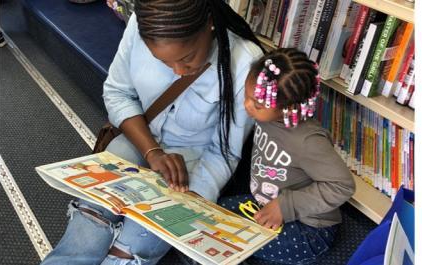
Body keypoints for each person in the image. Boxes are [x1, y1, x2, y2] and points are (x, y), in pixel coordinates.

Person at [41, 0, 265, 264]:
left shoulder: (246, 61)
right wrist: (152, 152)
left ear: (209, 24)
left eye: (187, 58)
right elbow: (117, 93)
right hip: (137, 141)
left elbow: (225, 151)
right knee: (92, 214)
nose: (178, 71)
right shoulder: (141, 24)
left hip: (195, 165)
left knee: (133, 247)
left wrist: (192, 202)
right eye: (163, 62)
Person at [216, 48, 355, 264]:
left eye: (257, 104)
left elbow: (342, 185)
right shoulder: (268, 115)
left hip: (309, 229)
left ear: (289, 109)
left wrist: (285, 206)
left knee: (230, 239)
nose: (246, 105)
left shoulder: (309, 141)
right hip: (265, 202)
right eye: (247, 96)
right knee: (213, 216)